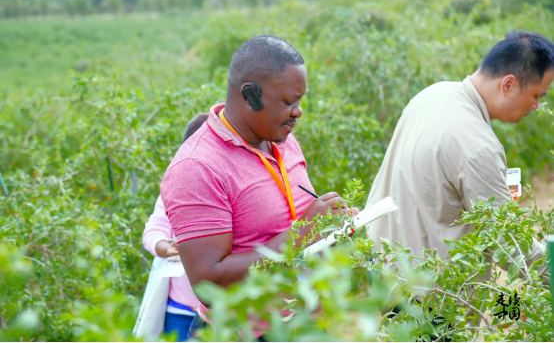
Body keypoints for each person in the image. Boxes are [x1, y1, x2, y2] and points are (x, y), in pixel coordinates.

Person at [160, 35, 357, 338]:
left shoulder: (283, 141)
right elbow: (209, 282)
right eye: (288, 102)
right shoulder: (197, 167)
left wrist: (331, 228)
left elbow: (289, 229)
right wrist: (303, 231)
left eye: (300, 100)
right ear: (250, 95)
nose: (298, 112)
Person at [365, 31, 554, 261]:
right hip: (425, 290)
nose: (536, 106)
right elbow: (507, 244)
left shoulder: (433, 94)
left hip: (384, 267)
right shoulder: (477, 145)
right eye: (536, 95)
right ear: (508, 85)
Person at [142, 113, 208, 341]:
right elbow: (154, 230)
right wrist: (166, 247)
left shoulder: (232, 188)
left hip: (224, 310)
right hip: (182, 310)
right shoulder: (175, 190)